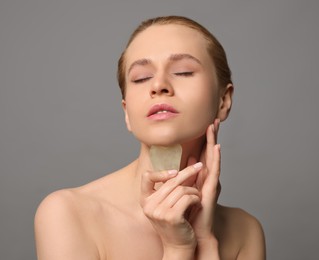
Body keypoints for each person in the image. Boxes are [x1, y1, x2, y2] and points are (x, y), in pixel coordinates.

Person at [34, 16, 266, 259]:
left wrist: (204, 241)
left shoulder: (244, 231)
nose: (158, 85)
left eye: (183, 72)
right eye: (141, 78)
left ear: (223, 100)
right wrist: (178, 249)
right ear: (127, 112)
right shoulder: (68, 213)